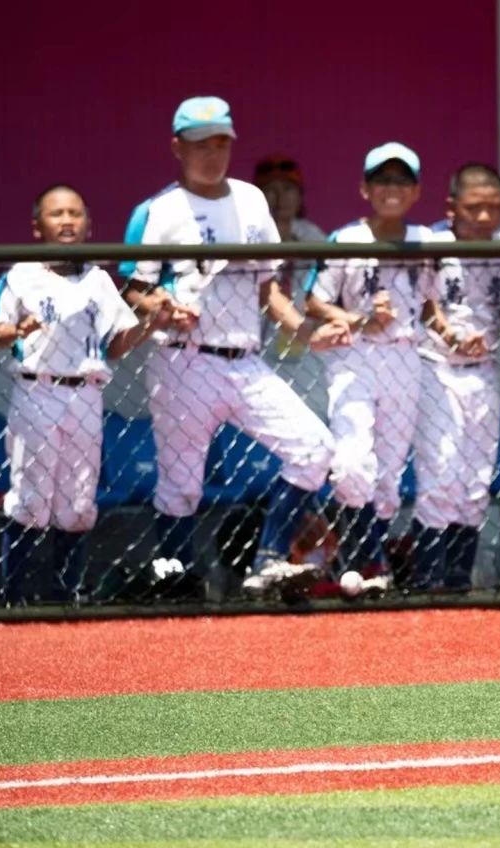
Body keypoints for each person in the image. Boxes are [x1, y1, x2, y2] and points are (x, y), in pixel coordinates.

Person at [120, 96, 351, 598]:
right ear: (177, 147)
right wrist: (160, 303)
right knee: (181, 485)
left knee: (315, 448)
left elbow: (269, 288)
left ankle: (268, 559)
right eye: (201, 143)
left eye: (221, 141)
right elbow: (132, 285)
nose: (212, 152)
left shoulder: (250, 199)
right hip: (184, 359)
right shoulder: (157, 211)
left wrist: (307, 332)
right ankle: (175, 581)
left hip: (245, 359)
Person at [0, 185, 173, 605]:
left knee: (78, 502)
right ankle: (15, 598)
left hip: (85, 394)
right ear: (37, 227)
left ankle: (66, 594)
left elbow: (116, 344)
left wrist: (151, 320)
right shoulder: (20, 275)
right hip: (38, 390)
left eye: (75, 213)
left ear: (87, 225)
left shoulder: (99, 280)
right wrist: (16, 331)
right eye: (56, 213)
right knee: (31, 500)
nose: (66, 220)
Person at [304, 142, 436, 590]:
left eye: (402, 180)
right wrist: (359, 318)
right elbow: (315, 300)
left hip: (405, 353)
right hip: (356, 354)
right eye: (382, 179)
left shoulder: (425, 241)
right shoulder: (346, 239)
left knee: (391, 471)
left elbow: (433, 304)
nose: (392, 188)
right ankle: (351, 557)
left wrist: (451, 334)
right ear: (364, 188)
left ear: (416, 190)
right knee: (353, 462)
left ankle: (368, 562)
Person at [410, 163, 500, 592]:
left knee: (475, 481)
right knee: (440, 473)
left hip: (485, 369)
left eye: (493, 208)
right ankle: (428, 579)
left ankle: (458, 581)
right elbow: (421, 303)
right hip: (436, 366)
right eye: (474, 208)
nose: (483, 217)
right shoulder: (432, 242)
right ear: (452, 207)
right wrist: (450, 335)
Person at [254, 154, 325, 297]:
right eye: (271, 190)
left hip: (305, 317)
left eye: (288, 189)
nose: (280, 196)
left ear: (300, 196)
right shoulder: (251, 233)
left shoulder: (312, 235)